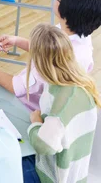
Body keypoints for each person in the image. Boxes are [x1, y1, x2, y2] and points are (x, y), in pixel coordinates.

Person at [0, 0, 101, 112]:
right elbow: (44, 48)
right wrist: (17, 41)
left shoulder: (59, 56)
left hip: (29, 110)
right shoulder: (78, 34)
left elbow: (16, 87)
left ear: (67, 11)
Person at [19, 24, 100, 183]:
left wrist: (35, 124)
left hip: (52, 177)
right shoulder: (77, 83)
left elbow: (44, 146)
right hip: (73, 173)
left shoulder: (61, 102)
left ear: (38, 62)